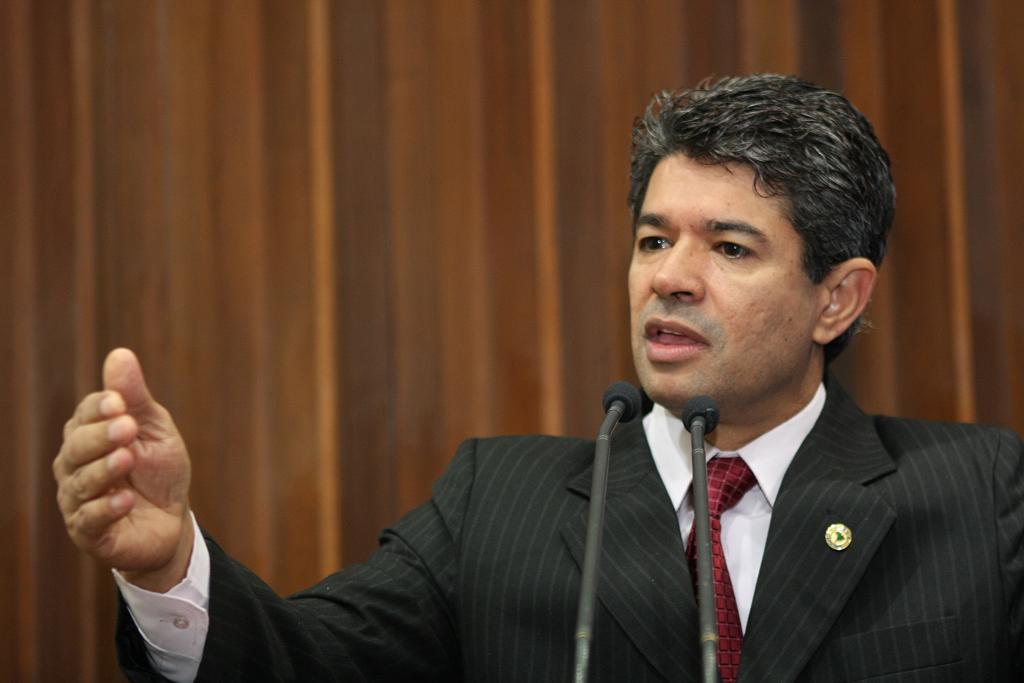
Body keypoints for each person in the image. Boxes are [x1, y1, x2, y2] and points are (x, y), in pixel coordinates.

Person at [54, 74, 1023, 681]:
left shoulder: (977, 494)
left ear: (837, 299)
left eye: (728, 246)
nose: (668, 277)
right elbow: (307, 664)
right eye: (652, 238)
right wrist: (168, 561)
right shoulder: (499, 500)